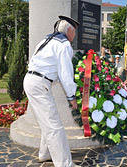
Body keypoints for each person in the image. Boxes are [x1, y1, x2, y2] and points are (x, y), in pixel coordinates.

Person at [23, 16, 80, 167]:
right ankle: (64, 164)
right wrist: (71, 96)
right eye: (74, 32)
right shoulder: (64, 45)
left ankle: (44, 153)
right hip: (39, 84)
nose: (74, 36)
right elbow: (65, 74)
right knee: (54, 126)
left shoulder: (45, 41)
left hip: (33, 81)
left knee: (47, 120)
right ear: (69, 31)